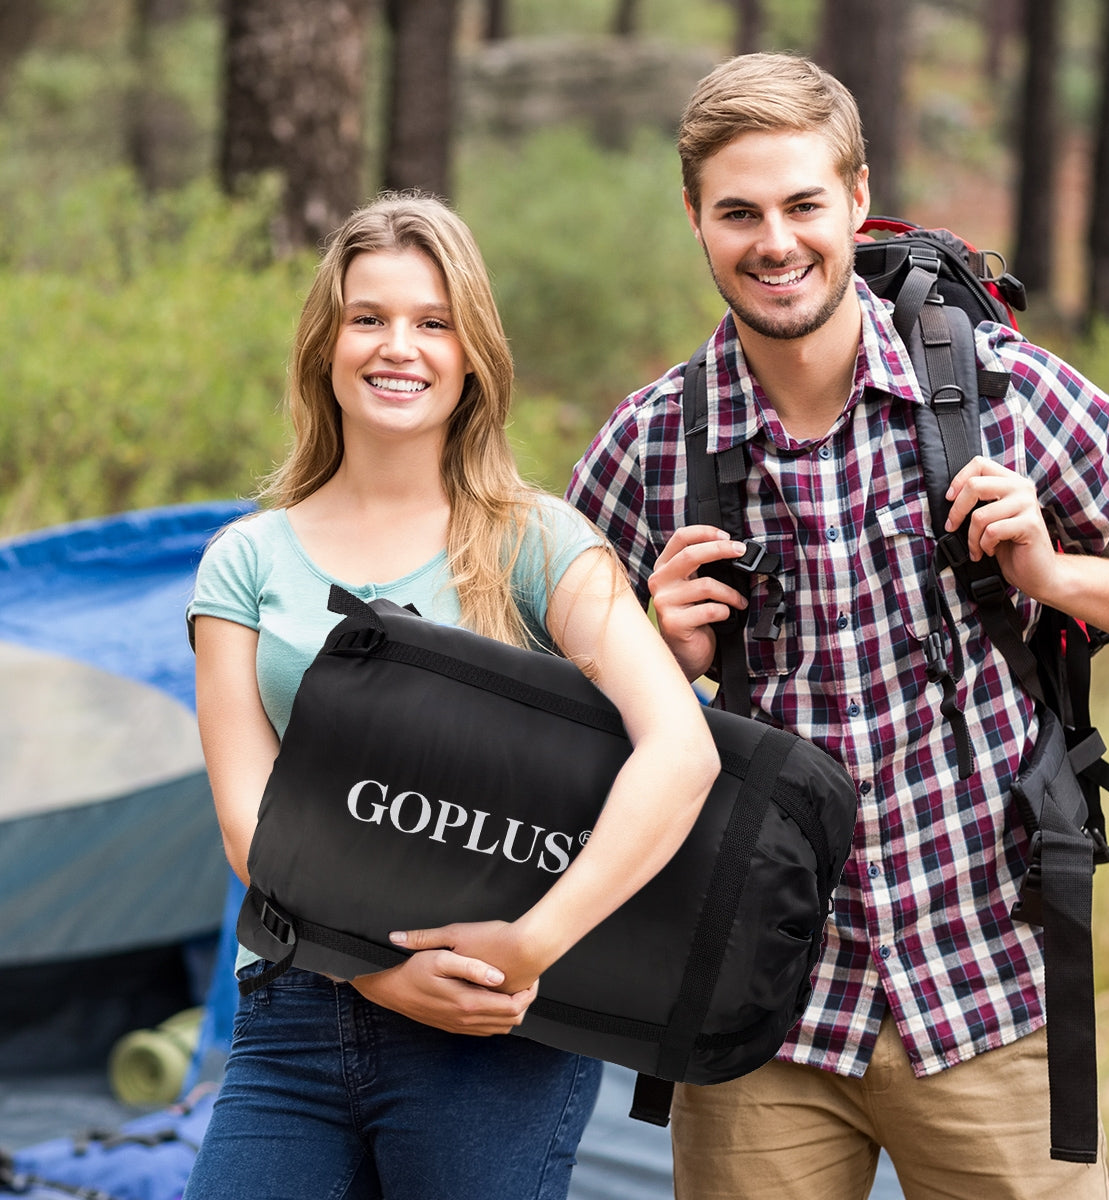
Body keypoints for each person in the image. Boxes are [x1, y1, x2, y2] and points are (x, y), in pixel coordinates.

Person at [566, 51, 1109, 1200]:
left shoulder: (1012, 397)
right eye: (739, 212)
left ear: (856, 200)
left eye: (805, 203)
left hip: (988, 983)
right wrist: (655, 655)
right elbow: (546, 710)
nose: (776, 240)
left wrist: (1057, 575)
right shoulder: (645, 448)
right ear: (696, 222)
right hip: (754, 1012)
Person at [184, 191, 719, 1200]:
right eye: (369, 318)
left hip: (492, 1032)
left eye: (434, 322)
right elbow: (249, 825)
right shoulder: (244, 563)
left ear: (472, 353)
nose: (401, 347)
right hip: (297, 1013)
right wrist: (374, 973)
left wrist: (533, 945)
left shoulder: (539, 541)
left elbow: (680, 750)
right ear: (325, 346)